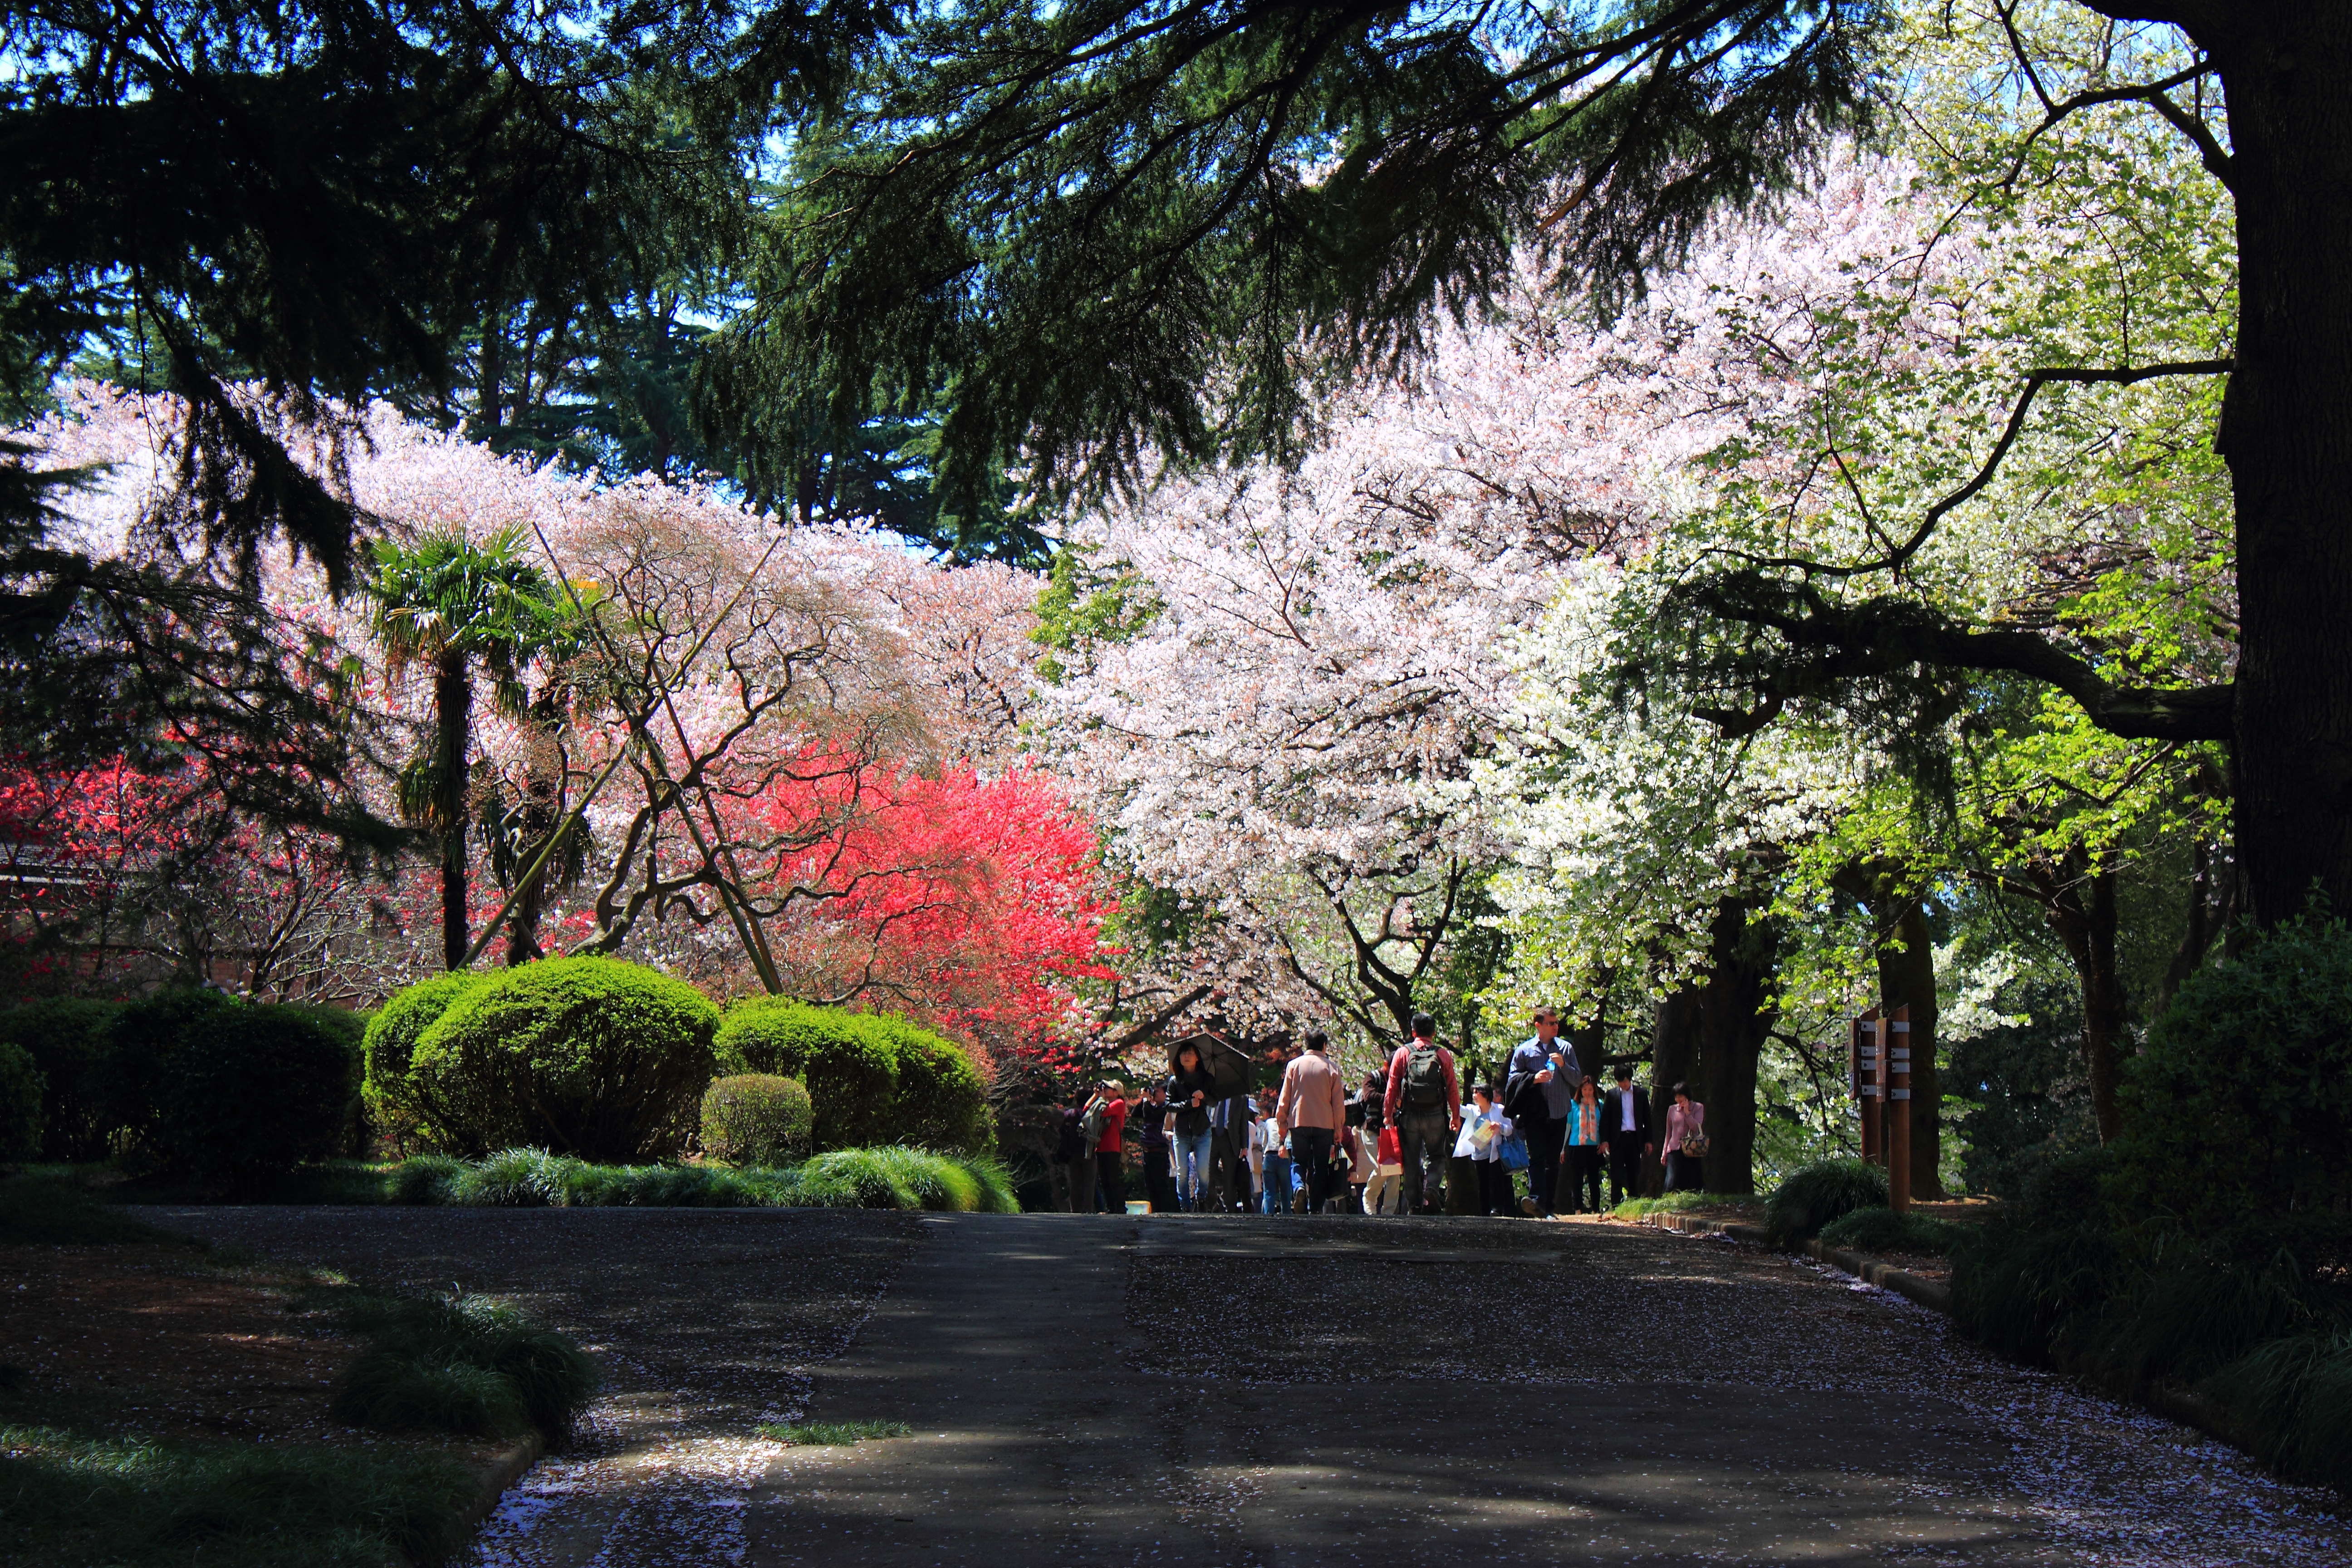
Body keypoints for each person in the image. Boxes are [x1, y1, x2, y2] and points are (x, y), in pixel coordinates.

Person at [1382, 1014, 1462, 1214]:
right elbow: (1452, 1087)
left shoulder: (1403, 1053)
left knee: (1411, 1161)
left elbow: (1392, 1085)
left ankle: (1414, 1206)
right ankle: (1432, 1188)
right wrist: (1455, 1115)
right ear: (1434, 1033)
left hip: (1410, 1115)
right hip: (1436, 1115)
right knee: (1437, 1156)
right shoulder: (1442, 1055)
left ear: (1413, 1032)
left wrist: (1388, 1114)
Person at [1506, 1006, 1579, 1216]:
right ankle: (1536, 1199)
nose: (1556, 1027)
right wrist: (1533, 1079)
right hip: (1534, 1113)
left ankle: (1547, 1206)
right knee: (1537, 1158)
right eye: (1551, 1023)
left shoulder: (1566, 1049)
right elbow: (1512, 1081)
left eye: (1557, 1023)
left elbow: (1576, 1080)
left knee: (1553, 1161)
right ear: (1538, 1025)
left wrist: (1563, 1065)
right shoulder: (1524, 1051)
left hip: (1559, 1111)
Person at [1277, 1029, 1349, 1216]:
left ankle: (1299, 1187)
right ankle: (1315, 1207)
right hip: (1324, 1124)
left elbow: (1284, 1098)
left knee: (1298, 1161)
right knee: (1321, 1166)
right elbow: (1338, 1103)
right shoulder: (1332, 1068)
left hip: (1299, 1120)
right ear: (1324, 1046)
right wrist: (1338, 1128)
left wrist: (1282, 1123)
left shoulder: (1294, 1065)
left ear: (1306, 1044)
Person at [1167, 1042, 1220, 1211]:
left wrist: (1204, 1097)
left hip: (1202, 1129)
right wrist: (1188, 1104)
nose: (1186, 1056)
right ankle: (1185, 1206)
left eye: (1190, 1053)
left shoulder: (1207, 1079)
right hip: (1182, 1131)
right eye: (1183, 1054)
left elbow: (1214, 1101)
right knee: (1182, 1172)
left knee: (1203, 1170)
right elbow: (1168, 1106)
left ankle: (1202, 1198)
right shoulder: (1175, 1081)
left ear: (1197, 1057)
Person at [1455, 1083, 1516, 1215]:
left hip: (1495, 1153)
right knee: (1483, 1184)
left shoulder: (1499, 1109)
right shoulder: (1472, 1111)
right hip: (1478, 1154)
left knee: (1496, 1182)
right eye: (1474, 1093)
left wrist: (1499, 1126)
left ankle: (1497, 1209)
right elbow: (1457, 1108)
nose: (1474, 1096)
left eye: (1477, 1093)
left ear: (1486, 1095)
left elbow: (1510, 1129)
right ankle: (1485, 1212)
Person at [1602, 1064, 1653, 1207]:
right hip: (1617, 1139)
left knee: (1634, 1173)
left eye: (1624, 1081)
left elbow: (1647, 1119)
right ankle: (1616, 1206)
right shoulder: (1611, 1095)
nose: (1622, 1084)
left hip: (1635, 1138)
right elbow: (1606, 1119)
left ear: (1629, 1079)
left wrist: (1649, 1140)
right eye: (1619, 1081)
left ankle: (1634, 1204)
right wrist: (1605, 1140)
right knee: (1616, 1174)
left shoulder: (1641, 1094)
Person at [1562, 1075, 1605, 1215]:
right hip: (1576, 1145)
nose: (1587, 1092)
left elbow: (1604, 1126)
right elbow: (1568, 1127)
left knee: (1594, 1179)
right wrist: (1562, 1148)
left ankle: (1595, 1209)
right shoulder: (1573, 1105)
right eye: (1585, 1089)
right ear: (1580, 1090)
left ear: (1594, 1090)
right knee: (1577, 1180)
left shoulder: (1599, 1105)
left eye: (1590, 1089)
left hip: (1594, 1146)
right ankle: (1578, 1210)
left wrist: (1604, 1142)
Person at [1082, 1079, 1127, 1211]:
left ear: (1116, 1092)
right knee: (1105, 1180)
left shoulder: (1119, 1103)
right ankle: (1111, 1207)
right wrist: (1095, 1096)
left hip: (1112, 1146)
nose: (1105, 1089)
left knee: (1113, 1179)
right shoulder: (1103, 1102)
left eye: (1108, 1088)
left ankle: (1120, 1207)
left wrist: (1101, 1098)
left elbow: (1104, 1112)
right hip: (1100, 1146)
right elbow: (1087, 1111)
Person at [1136, 1078, 1176, 1212]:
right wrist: (1144, 1100)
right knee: (1150, 1186)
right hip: (1147, 1151)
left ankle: (1164, 1213)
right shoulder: (1151, 1106)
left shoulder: (1166, 1108)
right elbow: (1136, 1114)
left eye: (1158, 1091)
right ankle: (1156, 1212)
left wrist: (1147, 1101)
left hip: (1159, 1150)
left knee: (1161, 1185)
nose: (1155, 1093)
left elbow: (1151, 1117)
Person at [1254, 1088, 1294, 1215]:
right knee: (1285, 1190)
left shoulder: (1268, 1123)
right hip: (1283, 1157)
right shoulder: (1287, 1123)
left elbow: (1264, 1142)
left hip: (1270, 1156)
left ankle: (1268, 1217)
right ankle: (1287, 1215)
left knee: (1269, 1191)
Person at [1663, 1081, 1706, 1193]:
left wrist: (1687, 1112)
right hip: (1675, 1148)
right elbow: (1669, 1132)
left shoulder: (1698, 1108)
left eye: (1681, 1096)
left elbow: (1696, 1128)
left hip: (1691, 1148)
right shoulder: (1672, 1110)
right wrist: (1664, 1152)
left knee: (1691, 1179)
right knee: (1672, 1180)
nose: (1678, 1099)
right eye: (1676, 1097)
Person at [1064, 1093, 1098, 1214]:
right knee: (1089, 1183)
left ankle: (1076, 1210)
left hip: (1073, 1152)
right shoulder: (1093, 1113)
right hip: (1089, 1150)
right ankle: (1088, 1209)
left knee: (1075, 1183)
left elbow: (1062, 1130)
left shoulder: (1070, 1114)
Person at [1364, 1121, 1405, 1214]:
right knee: (1382, 1167)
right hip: (1372, 1130)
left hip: (1394, 1131)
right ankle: (1370, 1197)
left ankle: (1389, 1212)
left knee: (1395, 1171)